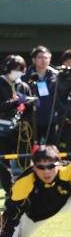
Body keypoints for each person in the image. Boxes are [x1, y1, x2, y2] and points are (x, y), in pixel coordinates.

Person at [0, 54, 34, 194]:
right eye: (15, 69)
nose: (18, 72)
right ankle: (10, 191)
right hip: (1, 132)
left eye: (21, 69)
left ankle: (28, 188)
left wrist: (32, 103)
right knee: (3, 163)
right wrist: (15, 103)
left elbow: (28, 109)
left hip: (19, 130)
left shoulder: (23, 85)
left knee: (25, 161)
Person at [24, 45, 58, 145]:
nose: (43, 60)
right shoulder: (25, 76)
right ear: (34, 60)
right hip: (32, 119)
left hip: (50, 119)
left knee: (51, 148)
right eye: (40, 57)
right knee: (31, 149)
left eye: (46, 57)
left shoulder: (56, 76)